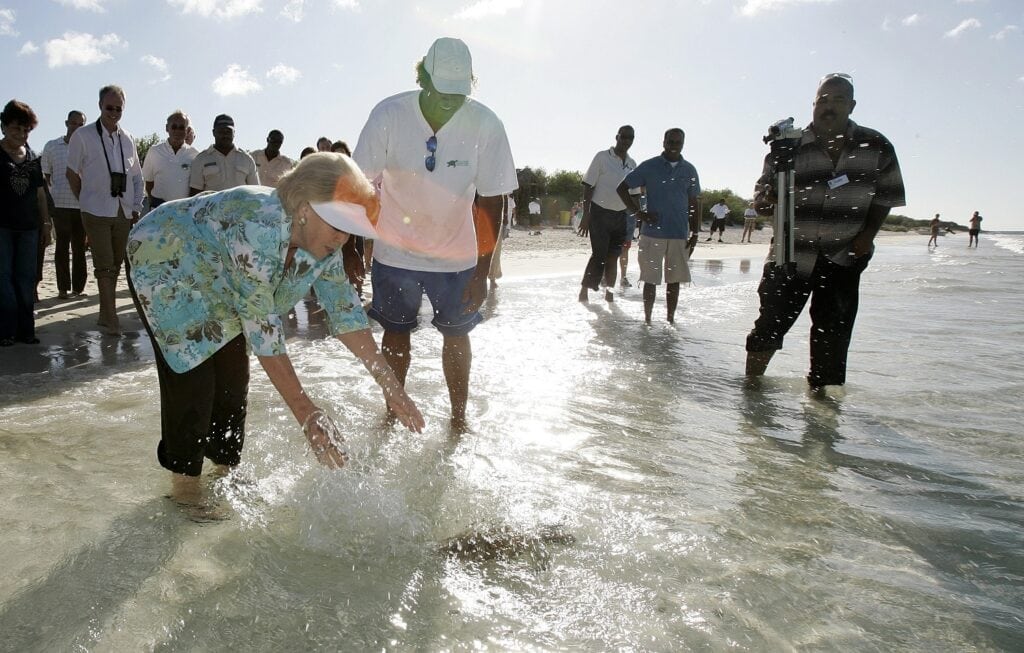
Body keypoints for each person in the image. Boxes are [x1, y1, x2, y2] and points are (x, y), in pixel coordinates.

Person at [127, 153, 425, 502]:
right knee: (194, 380)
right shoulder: (257, 227)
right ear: (304, 207)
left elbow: (346, 315)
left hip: (219, 275)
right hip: (166, 259)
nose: (344, 238)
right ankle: (185, 489)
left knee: (233, 384)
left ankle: (226, 475)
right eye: (337, 225)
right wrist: (307, 414)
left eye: (350, 229)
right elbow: (265, 333)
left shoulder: (324, 245)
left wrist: (391, 387)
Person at [353, 37, 517, 431]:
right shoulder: (389, 114)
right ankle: (393, 412)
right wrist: (353, 248)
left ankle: (458, 421)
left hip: (457, 258)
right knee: (395, 333)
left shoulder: (486, 124)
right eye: (441, 92)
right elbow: (358, 183)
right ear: (422, 77)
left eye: (457, 95)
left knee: (457, 336)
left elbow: (492, 202)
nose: (448, 102)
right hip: (395, 252)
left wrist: (482, 271)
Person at [745, 73, 905, 389]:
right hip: (789, 255)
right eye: (823, 100)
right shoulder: (787, 147)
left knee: (832, 338)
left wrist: (867, 235)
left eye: (838, 100)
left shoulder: (876, 145)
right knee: (767, 328)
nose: (828, 107)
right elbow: (761, 201)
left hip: (845, 256)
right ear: (813, 103)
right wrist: (771, 197)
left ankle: (821, 416)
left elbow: (887, 195)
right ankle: (750, 393)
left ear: (852, 105)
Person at [66, 84, 144, 336]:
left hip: (123, 209)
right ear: (100, 106)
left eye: (118, 108)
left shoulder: (128, 138)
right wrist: (85, 201)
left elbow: (136, 176)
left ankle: (103, 314)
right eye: (109, 107)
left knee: (117, 263)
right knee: (104, 265)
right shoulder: (83, 135)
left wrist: (136, 206)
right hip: (95, 210)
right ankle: (112, 320)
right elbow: (71, 173)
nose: (113, 112)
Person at [616, 128, 700, 325]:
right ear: (664, 142)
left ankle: (670, 321)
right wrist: (638, 213)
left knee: (674, 281)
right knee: (650, 280)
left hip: (679, 234)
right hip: (652, 233)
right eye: (670, 142)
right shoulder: (649, 166)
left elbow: (694, 203)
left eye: (678, 143)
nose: (673, 146)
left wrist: (695, 232)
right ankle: (647, 322)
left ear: (683, 144)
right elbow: (622, 188)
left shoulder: (689, 170)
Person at [1, 100, 49, 346]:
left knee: (26, 278)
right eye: (16, 128)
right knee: (3, 277)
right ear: (4, 126)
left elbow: (40, 194)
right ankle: (6, 331)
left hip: (29, 227)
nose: (21, 134)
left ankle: (26, 330)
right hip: (3, 227)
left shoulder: (33, 158)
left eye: (26, 130)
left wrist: (46, 224)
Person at [577, 125, 636, 303]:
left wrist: (639, 215)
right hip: (599, 214)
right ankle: (584, 291)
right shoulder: (602, 157)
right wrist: (586, 216)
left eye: (630, 138)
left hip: (621, 216)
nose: (626, 141)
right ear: (616, 137)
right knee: (599, 254)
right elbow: (588, 186)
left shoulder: (632, 164)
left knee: (614, 256)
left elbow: (635, 194)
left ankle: (609, 293)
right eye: (623, 137)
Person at [42, 110, 88, 299]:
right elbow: (45, 176)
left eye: (80, 124)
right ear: (66, 123)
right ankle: (62, 288)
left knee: (79, 248)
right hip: (59, 204)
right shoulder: (52, 146)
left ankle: (78, 288)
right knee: (62, 246)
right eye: (73, 123)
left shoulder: (88, 148)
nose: (76, 127)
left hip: (82, 205)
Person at [189, 114, 259, 195]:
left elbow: (255, 192)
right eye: (221, 131)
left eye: (228, 131)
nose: (225, 135)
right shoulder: (201, 159)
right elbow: (195, 194)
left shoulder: (247, 159)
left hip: (239, 207)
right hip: (212, 207)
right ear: (213, 132)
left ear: (234, 133)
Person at [142, 110, 198, 209]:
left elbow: (195, 186)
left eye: (181, 127)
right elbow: (149, 182)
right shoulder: (154, 151)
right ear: (167, 128)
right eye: (174, 127)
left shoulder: (194, 155)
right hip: (157, 209)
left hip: (183, 211)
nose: (177, 131)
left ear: (187, 130)